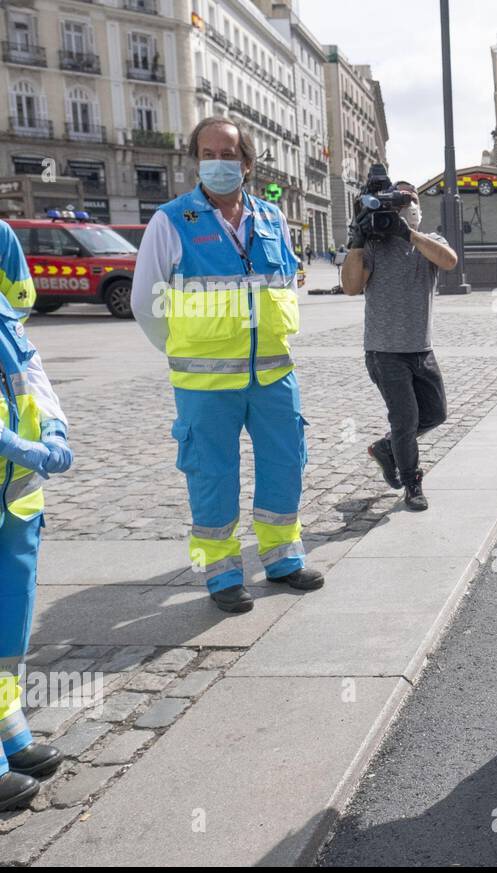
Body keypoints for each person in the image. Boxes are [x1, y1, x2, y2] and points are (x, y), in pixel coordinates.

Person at [131, 116, 321, 614]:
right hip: (204, 381)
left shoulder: (272, 218)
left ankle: (282, 557)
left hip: (275, 374)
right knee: (212, 475)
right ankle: (221, 574)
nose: (218, 163)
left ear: (247, 163)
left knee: (286, 463)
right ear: (196, 160)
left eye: (228, 154)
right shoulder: (170, 221)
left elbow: (283, 286)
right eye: (208, 154)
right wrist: (184, 351)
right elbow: (145, 303)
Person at [0, 218, 73, 810]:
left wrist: (52, 427)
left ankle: (6, 726)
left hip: (16, 496)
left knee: (9, 621)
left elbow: (30, 368)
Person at [341, 179, 457, 511]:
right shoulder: (374, 246)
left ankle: (386, 448)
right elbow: (350, 286)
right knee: (405, 419)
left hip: (421, 348)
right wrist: (357, 241)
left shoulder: (429, 241)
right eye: (398, 201)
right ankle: (412, 483)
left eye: (411, 199)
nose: (406, 206)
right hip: (384, 351)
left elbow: (449, 261)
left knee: (435, 413)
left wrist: (408, 233)